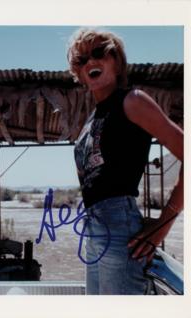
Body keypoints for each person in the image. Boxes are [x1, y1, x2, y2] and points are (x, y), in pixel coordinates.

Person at [67, 28, 183, 295]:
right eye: (82, 60)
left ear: (117, 62)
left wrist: (164, 223)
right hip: (94, 229)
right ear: (78, 73)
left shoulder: (133, 101)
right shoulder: (90, 120)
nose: (90, 62)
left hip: (120, 227)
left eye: (99, 53)